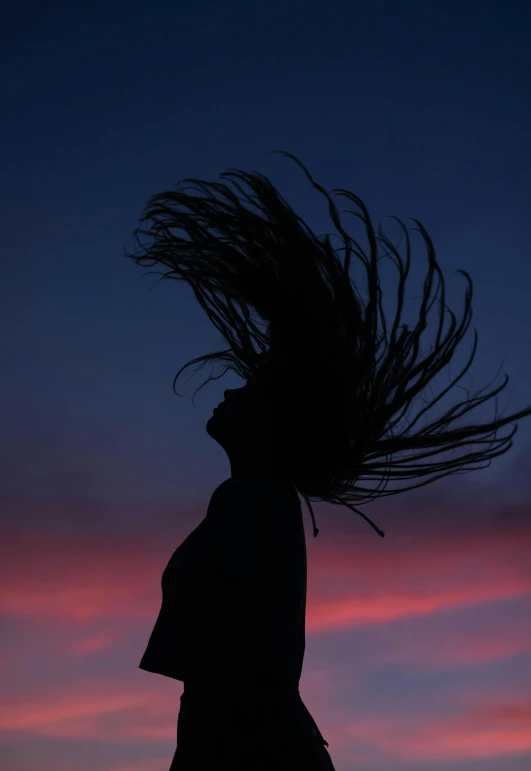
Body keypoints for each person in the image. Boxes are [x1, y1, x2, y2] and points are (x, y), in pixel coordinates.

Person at [126, 151, 531, 769]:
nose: (231, 392)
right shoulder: (257, 499)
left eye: (249, 390)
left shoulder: (254, 500)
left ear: (271, 424)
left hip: (245, 740)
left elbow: (246, 661)